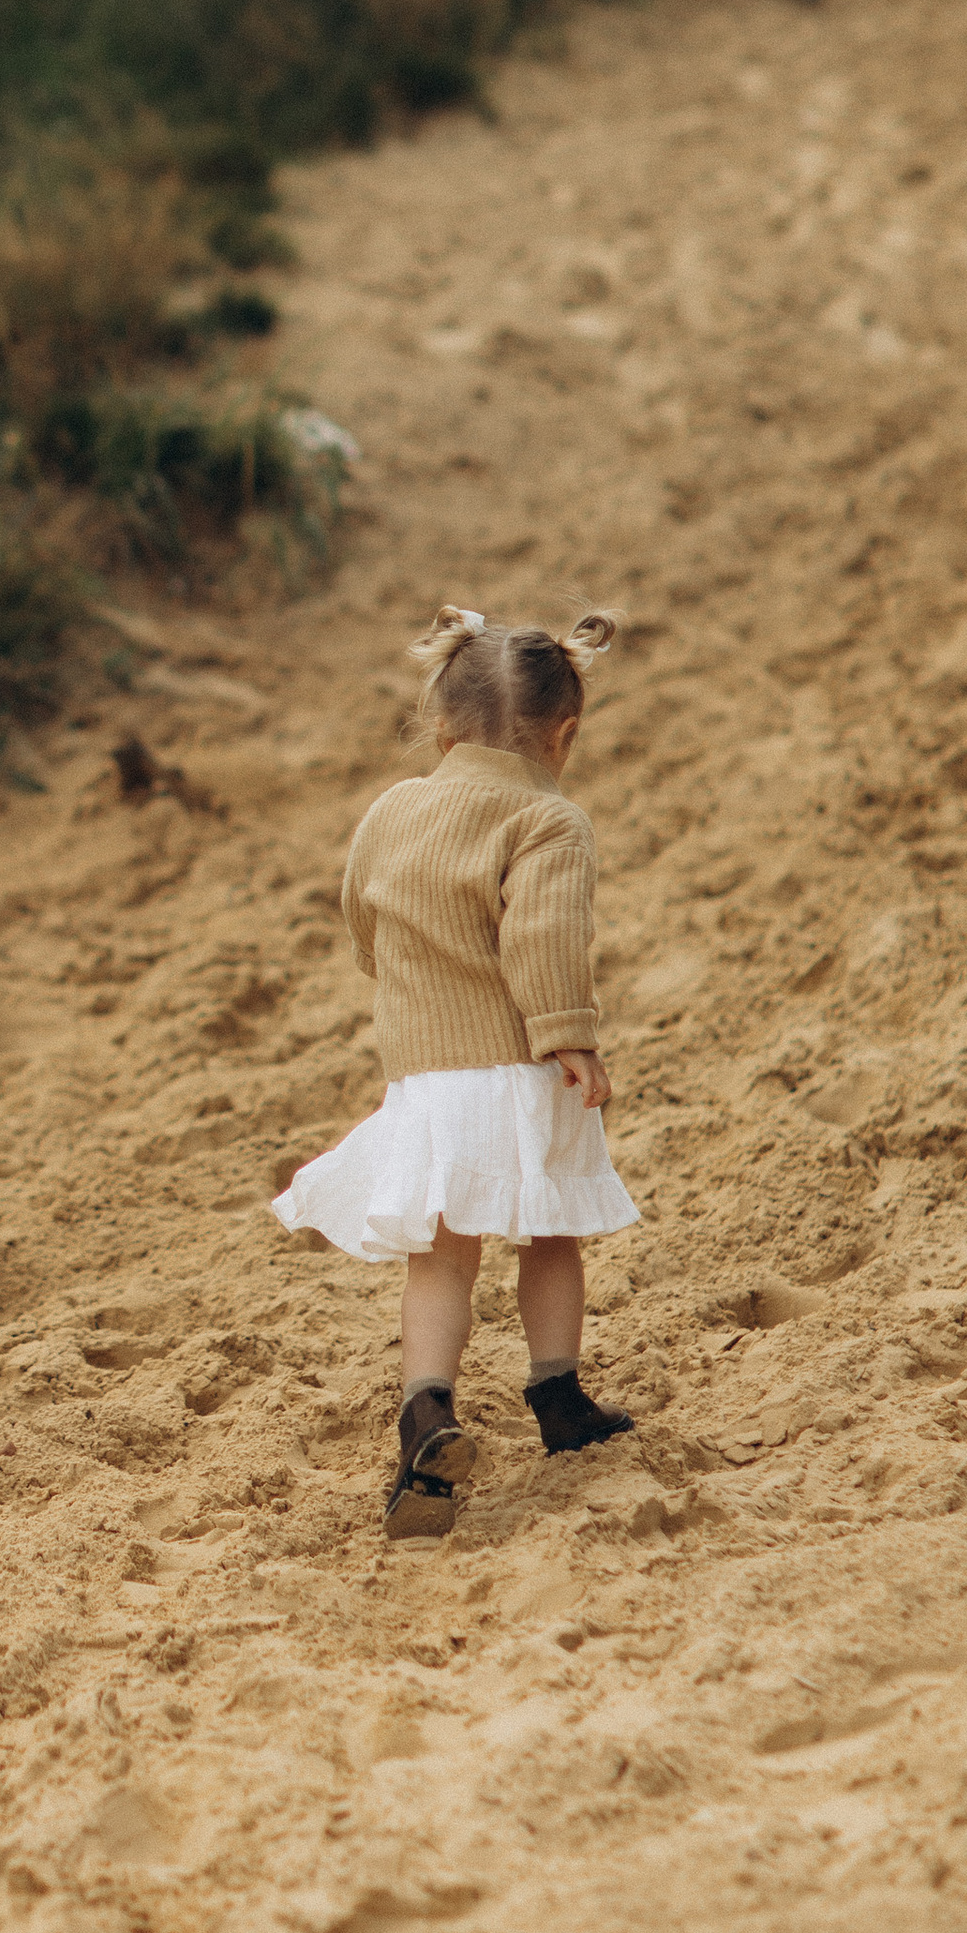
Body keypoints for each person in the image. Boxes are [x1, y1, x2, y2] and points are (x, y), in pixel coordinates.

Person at [272, 603, 638, 1543]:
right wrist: (570, 1037)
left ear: (441, 727)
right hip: (520, 1067)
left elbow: (362, 911)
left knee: (440, 1258)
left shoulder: (393, 808)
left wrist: (406, 979)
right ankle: (559, 1396)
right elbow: (543, 936)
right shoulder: (549, 818)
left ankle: (426, 1413)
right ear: (565, 734)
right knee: (550, 1232)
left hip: (428, 1079)